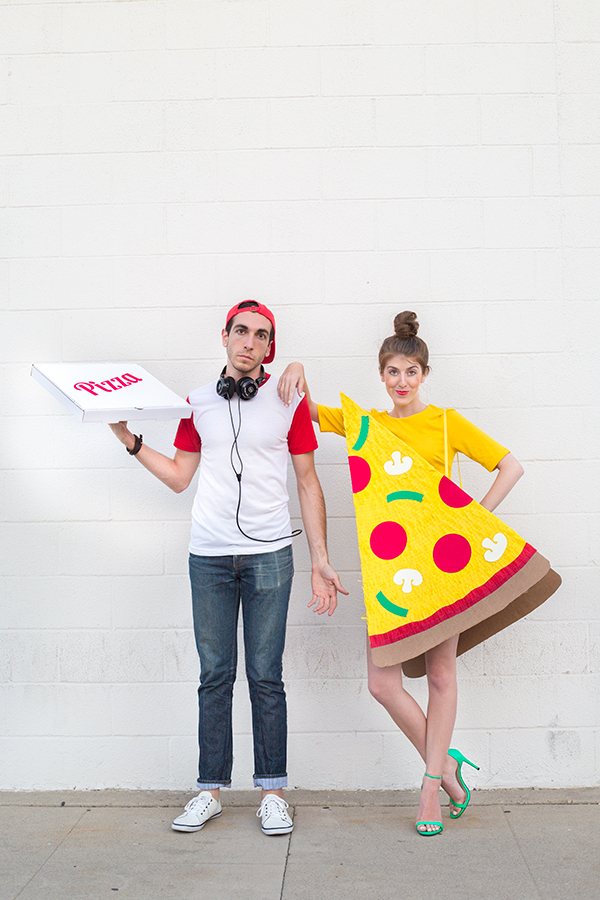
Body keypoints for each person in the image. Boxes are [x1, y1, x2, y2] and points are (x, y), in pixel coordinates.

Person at [278, 310, 524, 836]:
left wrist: (472, 520)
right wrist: (297, 363)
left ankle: (431, 786)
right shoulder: (369, 423)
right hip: (391, 572)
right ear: (382, 376)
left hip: (444, 572)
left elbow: (510, 467)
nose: (403, 382)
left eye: (412, 372)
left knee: (440, 675)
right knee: (382, 682)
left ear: (425, 375)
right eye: (393, 372)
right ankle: (450, 764)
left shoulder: (445, 422)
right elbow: (311, 411)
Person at [109, 300, 346, 836]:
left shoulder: (289, 400)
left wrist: (321, 561)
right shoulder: (197, 404)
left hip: (270, 557)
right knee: (214, 676)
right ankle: (210, 791)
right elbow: (178, 477)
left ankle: (272, 793)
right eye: (241, 331)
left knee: (266, 677)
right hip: (209, 558)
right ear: (225, 336)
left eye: (261, 336)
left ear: (270, 348)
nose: (249, 342)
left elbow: (308, 483)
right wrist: (131, 441)